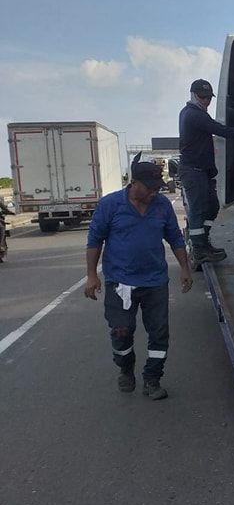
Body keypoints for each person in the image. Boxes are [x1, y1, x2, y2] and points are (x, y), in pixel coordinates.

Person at [84, 154, 193, 400]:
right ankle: (125, 367)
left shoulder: (162, 205)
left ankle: (152, 379)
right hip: (120, 282)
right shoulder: (110, 205)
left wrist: (184, 268)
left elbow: (175, 237)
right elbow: (94, 240)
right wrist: (92, 275)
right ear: (135, 183)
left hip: (155, 282)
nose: (154, 193)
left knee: (159, 333)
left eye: (158, 188)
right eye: (150, 188)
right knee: (121, 332)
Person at [178, 78, 234, 263]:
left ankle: (203, 242)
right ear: (193, 95)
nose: (206, 101)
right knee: (198, 210)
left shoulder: (193, 113)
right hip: (193, 171)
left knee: (212, 207)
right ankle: (199, 249)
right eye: (202, 97)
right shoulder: (194, 115)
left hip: (202, 172)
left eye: (208, 98)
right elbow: (223, 131)